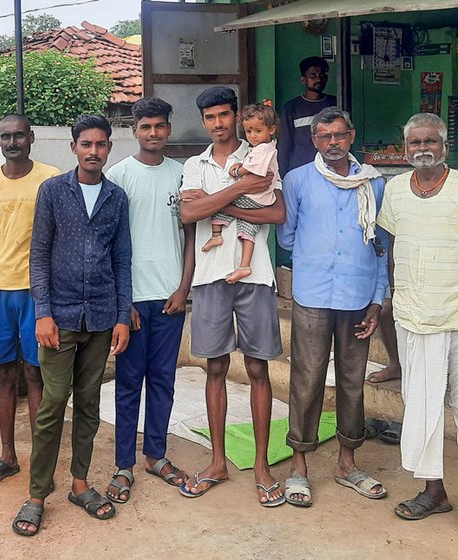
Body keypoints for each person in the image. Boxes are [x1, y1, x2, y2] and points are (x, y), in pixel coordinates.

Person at [12, 114, 132, 536]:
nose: (94, 151)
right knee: (51, 404)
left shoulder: (116, 197)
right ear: (74, 147)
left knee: (89, 404)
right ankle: (36, 494)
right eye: (86, 144)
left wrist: (122, 316)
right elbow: (39, 254)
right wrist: (42, 312)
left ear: (109, 148)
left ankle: (80, 484)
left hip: (100, 316)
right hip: (58, 316)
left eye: (101, 144)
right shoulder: (53, 191)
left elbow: (121, 259)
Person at [376, 112, 458, 540]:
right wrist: (389, 301)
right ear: (404, 148)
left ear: (445, 147)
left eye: (431, 141)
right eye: (414, 143)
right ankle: (434, 491)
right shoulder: (394, 191)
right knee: (421, 409)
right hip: (413, 319)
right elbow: (390, 253)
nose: (422, 148)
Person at [177, 86, 285, 506]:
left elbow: (276, 213)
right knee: (215, 369)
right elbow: (188, 214)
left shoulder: (261, 153)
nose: (218, 123)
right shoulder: (195, 163)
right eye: (210, 117)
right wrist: (239, 195)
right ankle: (218, 462)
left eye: (224, 115)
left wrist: (216, 202)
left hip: (255, 277)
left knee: (259, 370)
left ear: (237, 116)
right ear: (203, 121)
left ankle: (261, 466)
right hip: (209, 278)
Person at [277, 106, 389, 508]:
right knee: (306, 380)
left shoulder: (372, 183)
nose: (333, 143)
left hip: (358, 297)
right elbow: (287, 238)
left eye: (339, 135)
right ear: (315, 142)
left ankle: (347, 463)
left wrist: (378, 300)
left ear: (352, 135)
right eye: (325, 137)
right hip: (313, 294)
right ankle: (299, 466)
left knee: (352, 380)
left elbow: (380, 246)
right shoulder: (298, 180)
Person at [104, 97, 195, 503]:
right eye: (146, 127)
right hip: (133, 302)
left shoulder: (183, 175)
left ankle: (155, 455)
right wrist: (123, 303)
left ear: (168, 129)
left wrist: (184, 288)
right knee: (128, 384)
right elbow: (109, 243)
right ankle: (123, 465)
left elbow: (191, 236)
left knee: (163, 381)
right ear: (134, 130)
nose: (153, 133)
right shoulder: (119, 176)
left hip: (171, 299)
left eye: (160, 126)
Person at [0, 114, 60, 488]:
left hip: (38, 293)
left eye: (19, 135)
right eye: (5, 137)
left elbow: (61, 238)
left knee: (37, 374)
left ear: (31, 137)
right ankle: (7, 454)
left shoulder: (51, 177)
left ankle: (41, 461)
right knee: (3, 375)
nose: (12, 142)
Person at [201, 102, 281, 284]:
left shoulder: (264, 149)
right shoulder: (260, 148)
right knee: (247, 230)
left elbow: (256, 169)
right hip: (260, 199)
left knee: (219, 204)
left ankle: (216, 235)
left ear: (271, 130)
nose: (252, 136)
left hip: (255, 198)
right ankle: (245, 266)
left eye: (257, 131)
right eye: (248, 131)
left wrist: (238, 172)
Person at [277, 57, 338, 174]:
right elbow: (284, 146)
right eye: (313, 76)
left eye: (322, 75)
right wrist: (282, 177)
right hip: (300, 171)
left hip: (330, 170)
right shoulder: (292, 108)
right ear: (303, 79)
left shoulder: (335, 104)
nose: (318, 79)